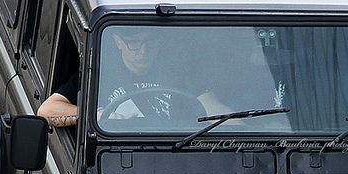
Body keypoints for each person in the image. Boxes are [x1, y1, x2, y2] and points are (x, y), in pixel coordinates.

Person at [38, 27, 228, 128]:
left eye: (150, 42)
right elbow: (47, 110)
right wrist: (97, 117)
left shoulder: (179, 71)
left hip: (175, 150)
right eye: (134, 43)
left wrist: (238, 126)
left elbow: (213, 108)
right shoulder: (98, 72)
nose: (143, 51)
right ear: (118, 41)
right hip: (117, 156)